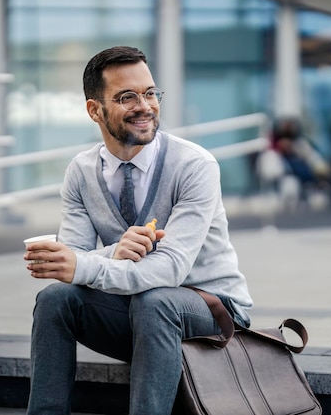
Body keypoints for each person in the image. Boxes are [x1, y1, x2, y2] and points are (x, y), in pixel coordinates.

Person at [24, 45, 253, 415]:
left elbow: (170, 269)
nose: (144, 106)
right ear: (94, 110)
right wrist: (113, 250)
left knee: (156, 300)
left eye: (150, 93)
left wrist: (86, 263)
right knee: (55, 299)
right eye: (127, 97)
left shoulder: (194, 165)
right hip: (138, 316)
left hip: (213, 312)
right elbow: (73, 263)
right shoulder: (81, 172)